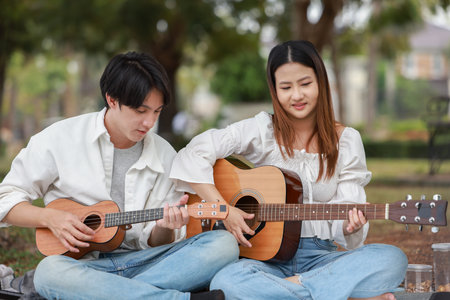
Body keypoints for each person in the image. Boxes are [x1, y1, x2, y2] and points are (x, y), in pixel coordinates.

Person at [170, 40, 408, 300]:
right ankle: (343, 295)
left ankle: (291, 289)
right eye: (286, 87)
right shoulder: (263, 131)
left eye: (305, 84)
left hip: (321, 258)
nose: (297, 95)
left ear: (321, 82)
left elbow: (347, 220)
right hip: (264, 260)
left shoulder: (347, 141)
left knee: (392, 259)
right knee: (227, 282)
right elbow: (194, 152)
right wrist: (223, 209)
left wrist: (350, 227)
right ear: (274, 90)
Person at [0, 51, 238, 300]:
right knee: (49, 272)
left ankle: (100, 293)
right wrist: (48, 217)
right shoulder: (59, 139)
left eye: (156, 112)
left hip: (145, 264)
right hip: (83, 266)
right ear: (112, 99)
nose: (149, 122)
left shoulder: (165, 156)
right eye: (140, 110)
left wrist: (165, 227)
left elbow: (158, 243)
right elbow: (5, 199)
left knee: (223, 245)